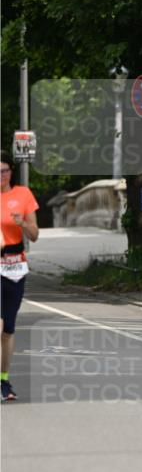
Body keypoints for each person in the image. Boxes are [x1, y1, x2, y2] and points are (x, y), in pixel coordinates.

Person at [1, 150, 39, 402]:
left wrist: (22, 223)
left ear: (10, 172)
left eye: (3, 170)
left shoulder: (23, 195)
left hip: (15, 267)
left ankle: (4, 380)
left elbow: (35, 234)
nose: (0, 176)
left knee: (8, 331)